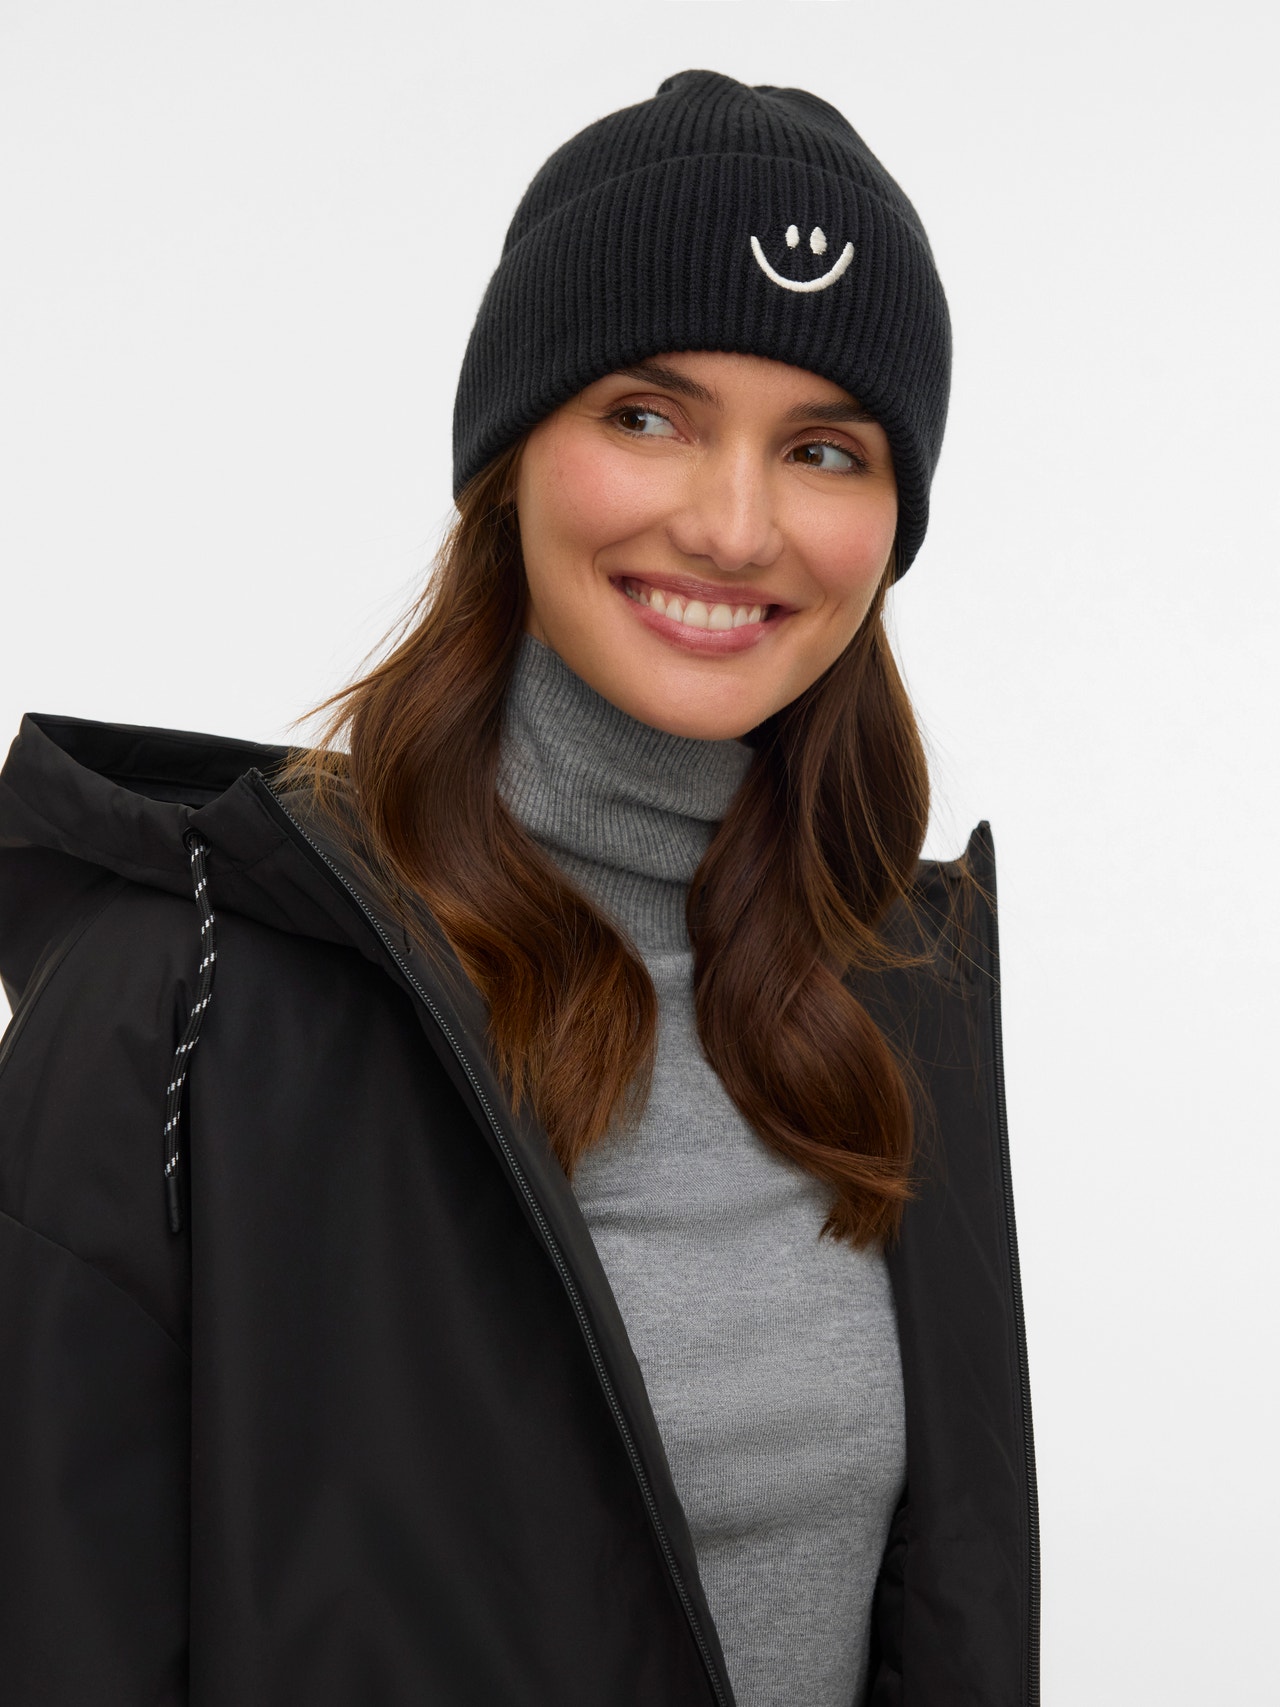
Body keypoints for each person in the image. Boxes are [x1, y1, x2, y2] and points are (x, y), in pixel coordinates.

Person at [0, 69, 1038, 1707]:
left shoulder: (899, 992)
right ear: (511, 454)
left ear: (892, 516)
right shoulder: (183, 992)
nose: (735, 525)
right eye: (648, 417)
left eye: (825, 448)